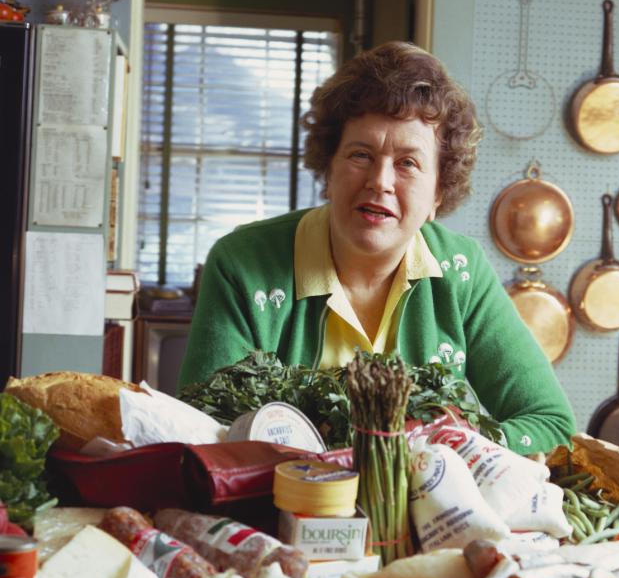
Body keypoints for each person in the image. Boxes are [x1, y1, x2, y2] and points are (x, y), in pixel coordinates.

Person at [179, 41, 576, 454]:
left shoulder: (462, 272)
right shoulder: (242, 263)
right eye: (360, 155)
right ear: (329, 169)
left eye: (408, 163)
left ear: (439, 191)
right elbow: (203, 428)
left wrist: (456, 448)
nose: (380, 181)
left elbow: (552, 424)